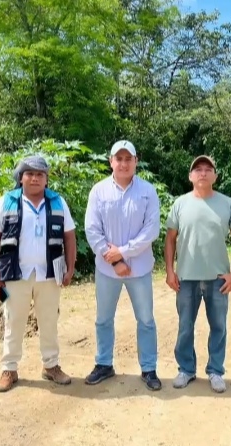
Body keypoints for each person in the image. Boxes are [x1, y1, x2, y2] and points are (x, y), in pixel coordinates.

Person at [0, 155, 77, 393]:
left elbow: (69, 237)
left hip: (50, 273)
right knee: (13, 321)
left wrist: (70, 267)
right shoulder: (6, 201)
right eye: (29, 174)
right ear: (21, 178)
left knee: (49, 321)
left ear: (46, 179)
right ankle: (9, 369)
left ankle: (51, 365)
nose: (34, 178)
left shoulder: (57, 202)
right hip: (14, 273)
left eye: (39, 174)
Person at [83, 140, 162, 391]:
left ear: (136, 162)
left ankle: (149, 368)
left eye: (129, 159)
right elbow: (92, 229)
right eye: (119, 158)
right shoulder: (98, 191)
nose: (124, 163)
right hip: (108, 269)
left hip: (140, 269)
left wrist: (124, 251)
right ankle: (104, 363)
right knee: (103, 319)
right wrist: (116, 260)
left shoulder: (148, 191)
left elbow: (151, 230)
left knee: (146, 320)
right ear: (111, 161)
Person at [164, 155, 231, 393]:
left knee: (218, 326)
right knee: (185, 326)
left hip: (218, 279)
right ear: (190, 176)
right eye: (197, 169)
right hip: (186, 278)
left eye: (208, 169)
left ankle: (216, 371)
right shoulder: (180, 204)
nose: (202, 173)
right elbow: (170, 239)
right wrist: (169, 270)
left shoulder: (227, 204)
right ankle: (186, 369)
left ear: (215, 176)